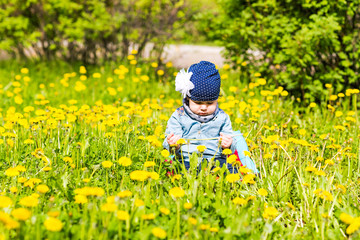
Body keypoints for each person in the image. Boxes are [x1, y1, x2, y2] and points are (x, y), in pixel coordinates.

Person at [162, 61, 238, 173]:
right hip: (187, 159)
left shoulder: (222, 118)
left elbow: (231, 141)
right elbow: (168, 144)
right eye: (198, 103)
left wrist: (228, 145)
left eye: (210, 103)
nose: (203, 107)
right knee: (176, 169)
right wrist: (173, 144)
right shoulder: (179, 116)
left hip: (215, 160)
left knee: (232, 168)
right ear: (188, 99)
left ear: (217, 99)